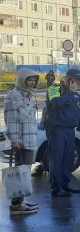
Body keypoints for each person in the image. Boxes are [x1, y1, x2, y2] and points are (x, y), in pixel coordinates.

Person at [3, 68, 40, 214]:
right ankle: (16, 204)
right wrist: (14, 139)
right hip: (21, 140)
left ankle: (21, 201)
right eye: (29, 80)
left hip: (30, 138)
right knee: (19, 170)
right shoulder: (13, 95)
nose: (31, 83)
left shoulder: (30, 95)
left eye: (33, 80)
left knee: (25, 170)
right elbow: (10, 120)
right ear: (22, 80)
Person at [46, 68, 80, 197]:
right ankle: (56, 187)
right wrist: (69, 93)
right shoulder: (54, 89)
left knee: (68, 158)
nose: (78, 83)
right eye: (76, 80)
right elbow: (54, 103)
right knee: (57, 158)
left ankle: (65, 184)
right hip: (57, 129)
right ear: (69, 78)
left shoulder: (76, 94)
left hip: (70, 130)